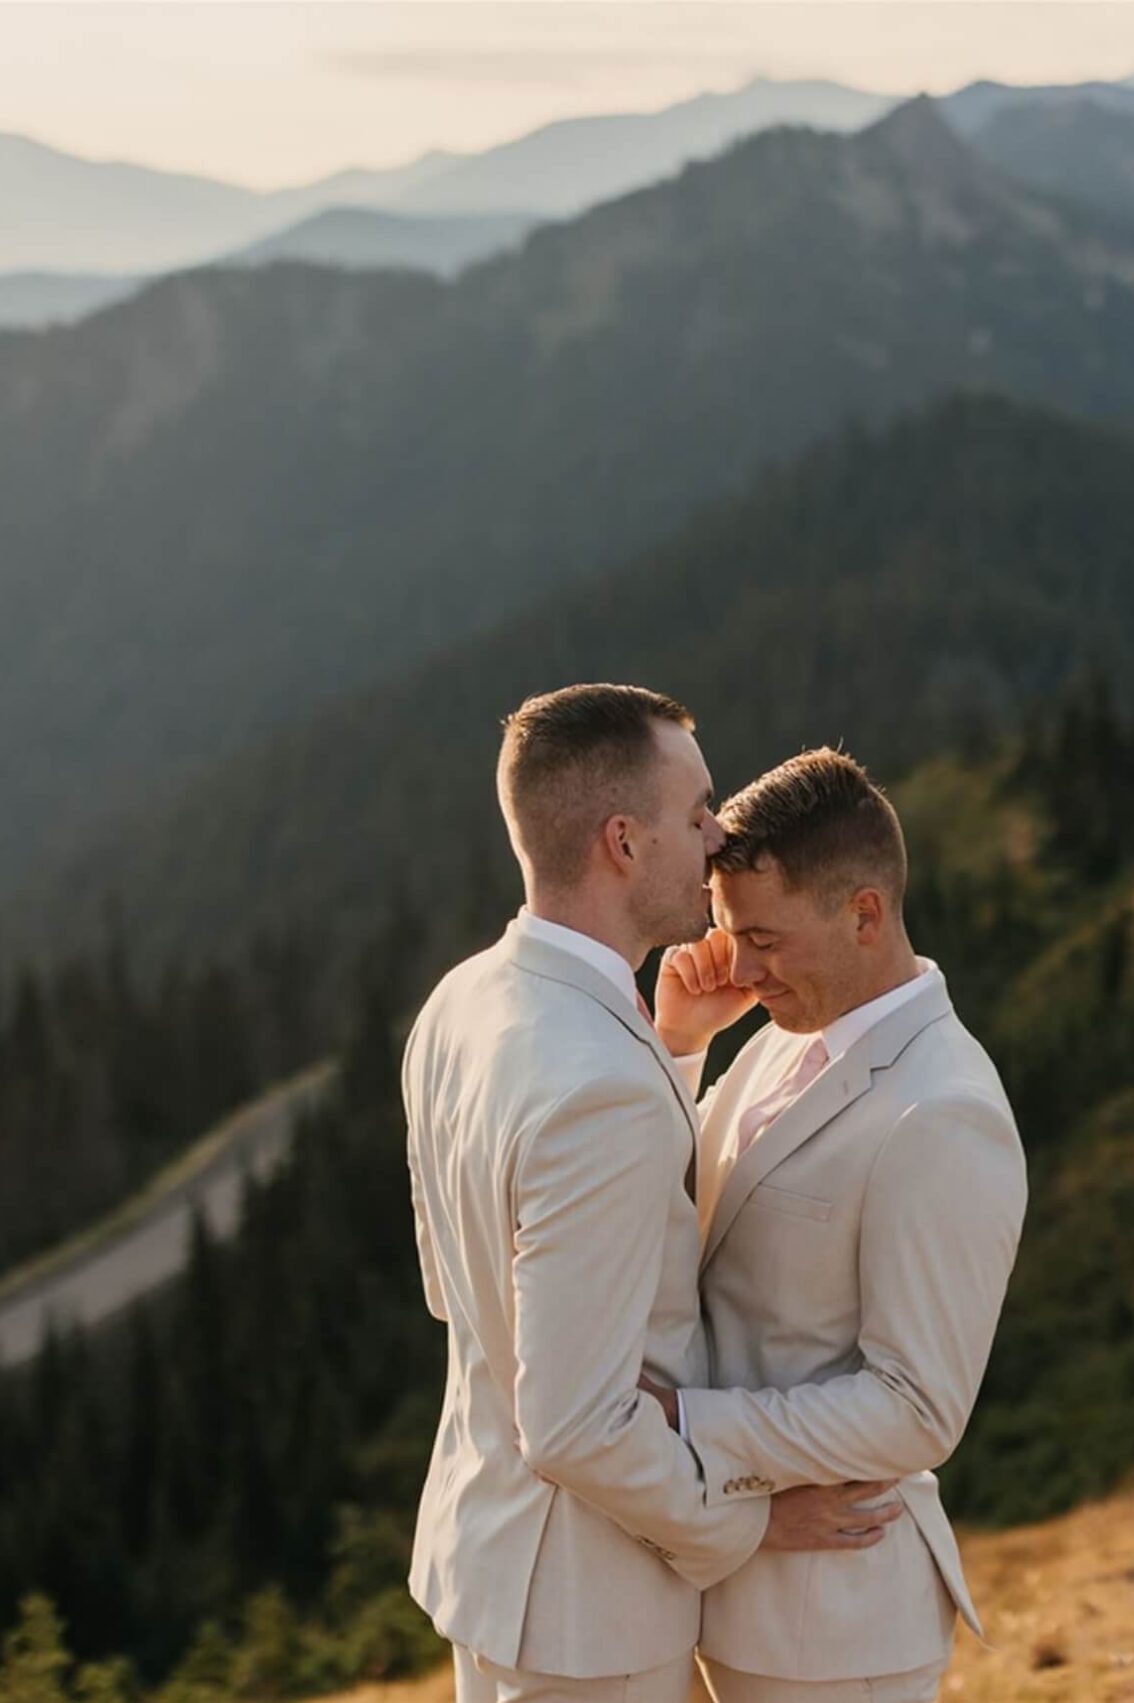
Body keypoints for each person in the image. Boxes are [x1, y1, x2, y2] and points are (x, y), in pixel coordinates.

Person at [403, 687, 890, 1703]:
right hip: (592, 1615)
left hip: (487, 1560)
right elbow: (577, 1425)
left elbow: (462, 1283)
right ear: (622, 840)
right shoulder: (600, 1089)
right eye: (698, 811)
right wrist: (746, 1519)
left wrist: (673, 1049)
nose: (717, 837)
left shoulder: (462, 1002)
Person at [648, 746, 1029, 1703]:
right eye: (730, 931)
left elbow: (916, 1407)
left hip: (834, 1629)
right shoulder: (777, 1042)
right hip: (709, 1587)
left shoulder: (944, 1110)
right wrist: (681, 1048)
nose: (738, 964)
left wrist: (686, 1427)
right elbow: (681, 1222)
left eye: (765, 937)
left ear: (864, 912)